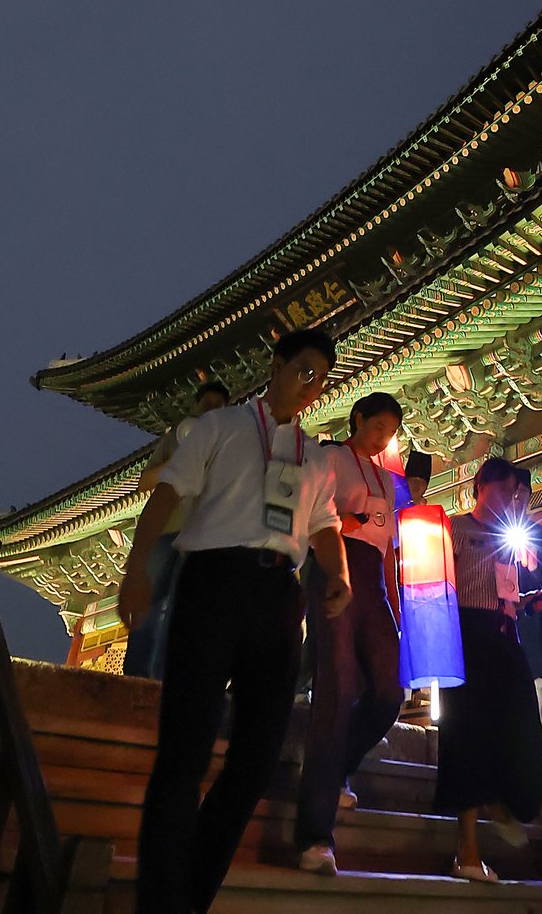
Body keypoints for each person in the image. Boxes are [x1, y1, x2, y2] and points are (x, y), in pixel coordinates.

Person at [117, 328, 350, 914]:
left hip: (279, 595)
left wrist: (339, 575)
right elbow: (166, 495)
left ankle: (189, 895)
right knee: (185, 750)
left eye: (320, 377)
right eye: (302, 369)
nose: (310, 383)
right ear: (275, 366)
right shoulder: (218, 429)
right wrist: (137, 572)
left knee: (256, 757)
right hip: (213, 582)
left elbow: (325, 524)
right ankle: (159, 900)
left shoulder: (313, 456)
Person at [295, 392, 406, 875]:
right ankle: (314, 835)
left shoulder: (386, 477)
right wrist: (346, 523)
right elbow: (314, 520)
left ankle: (338, 766)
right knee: (336, 691)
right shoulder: (331, 458)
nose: (383, 437)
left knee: (388, 691)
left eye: (390, 431)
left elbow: (387, 547)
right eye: (377, 426)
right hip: (334, 568)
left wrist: (394, 601)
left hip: (373, 583)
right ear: (358, 419)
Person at [435, 457, 542, 883]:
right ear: (478, 488)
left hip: (504, 634)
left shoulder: (512, 537)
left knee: (522, 724)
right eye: (501, 491)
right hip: (463, 634)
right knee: (464, 735)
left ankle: (505, 800)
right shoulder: (454, 529)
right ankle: (466, 850)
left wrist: (526, 596)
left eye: (514, 494)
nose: (509, 500)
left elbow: (530, 574)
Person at [123, 380, 230, 679]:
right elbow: (145, 482)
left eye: (217, 408)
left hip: (199, 537)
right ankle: (135, 676)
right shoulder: (174, 437)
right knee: (147, 603)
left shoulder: (226, 444)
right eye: (205, 405)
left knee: (186, 610)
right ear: (195, 407)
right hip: (164, 531)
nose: (210, 411)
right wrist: (182, 457)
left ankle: (166, 677)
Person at [510, 465, 542, 722]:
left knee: (535, 681)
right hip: (503, 615)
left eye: (523, 494)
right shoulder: (493, 531)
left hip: (530, 614)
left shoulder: (536, 532)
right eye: (513, 493)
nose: (518, 499)